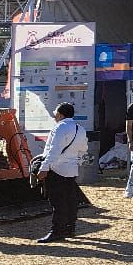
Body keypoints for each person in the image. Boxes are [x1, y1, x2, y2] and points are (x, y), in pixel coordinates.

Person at [35, 102, 88, 243]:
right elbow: (83, 149)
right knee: (71, 200)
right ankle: (70, 228)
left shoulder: (59, 128)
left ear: (59, 114)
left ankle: (57, 230)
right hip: (72, 169)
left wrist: (44, 168)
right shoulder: (80, 129)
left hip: (56, 169)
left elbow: (53, 151)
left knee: (58, 202)